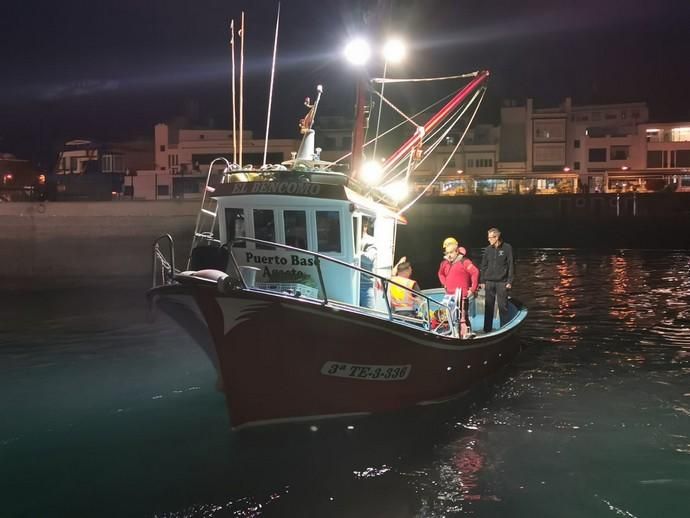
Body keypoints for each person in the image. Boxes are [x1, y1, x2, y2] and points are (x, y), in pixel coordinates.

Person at [438, 237, 479, 337]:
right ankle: (451, 334)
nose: (449, 255)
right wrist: (444, 284)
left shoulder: (464, 261)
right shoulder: (444, 263)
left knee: (462, 317)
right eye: (447, 252)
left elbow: (475, 272)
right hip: (449, 296)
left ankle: (466, 335)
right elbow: (440, 274)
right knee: (447, 317)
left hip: (462, 296)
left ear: (456, 251)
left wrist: (473, 289)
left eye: (451, 252)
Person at [479, 227, 514, 332]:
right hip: (489, 282)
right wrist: (482, 281)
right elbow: (484, 265)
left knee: (503, 306)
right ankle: (487, 329)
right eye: (488, 237)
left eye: (490, 238)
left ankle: (505, 329)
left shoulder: (507, 248)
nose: (488, 240)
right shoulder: (488, 250)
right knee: (488, 307)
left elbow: (511, 265)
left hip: (501, 282)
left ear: (497, 237)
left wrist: (509, 281)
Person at [359, 218, 377, 308]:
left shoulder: (371, 241)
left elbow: (369, 259)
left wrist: (355, 252)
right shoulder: (350, 239)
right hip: (350, 284)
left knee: (369, 315)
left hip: (365, 286)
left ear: (365, 227)